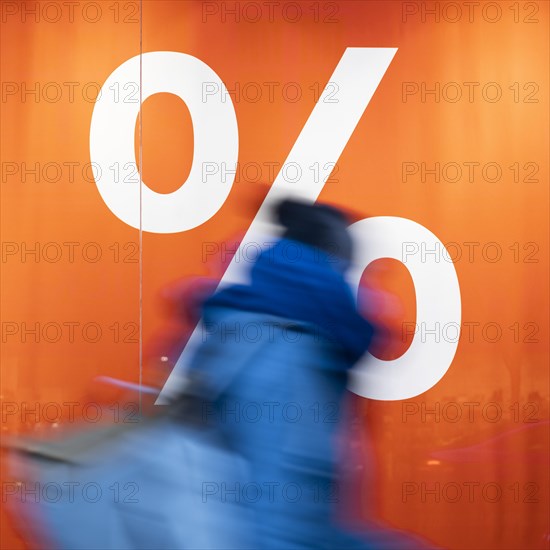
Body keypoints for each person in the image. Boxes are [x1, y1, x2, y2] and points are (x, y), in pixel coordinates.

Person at [185, 198, 431, 549]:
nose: (364, 289)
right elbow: (274, 523)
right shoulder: (287, 354)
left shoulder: (261, 332)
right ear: (331, 267)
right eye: (351, 270)